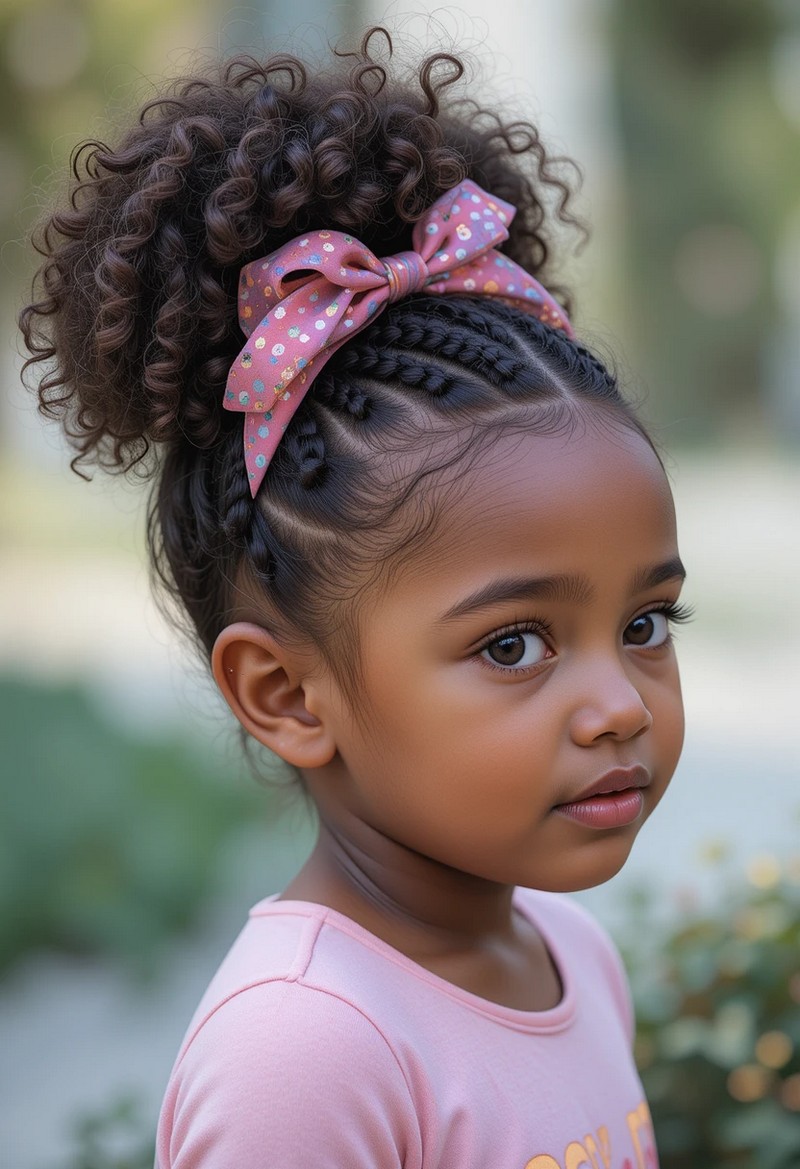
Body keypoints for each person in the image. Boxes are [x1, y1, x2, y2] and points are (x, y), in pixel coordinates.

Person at [20, 29, 689, 1169]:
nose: (618, 703)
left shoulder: (572, 954)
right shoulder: (310, 1047)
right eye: (515, 642)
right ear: (286, 693)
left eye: (641, 625)